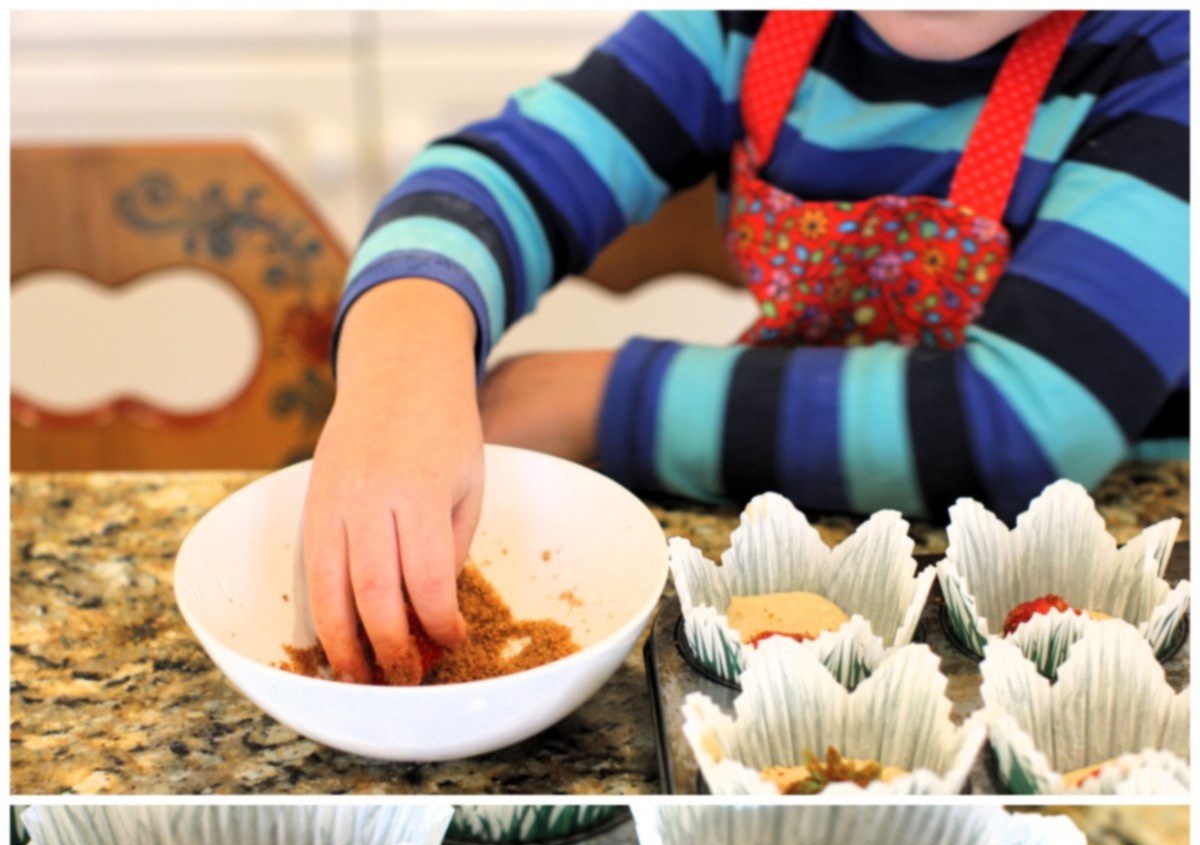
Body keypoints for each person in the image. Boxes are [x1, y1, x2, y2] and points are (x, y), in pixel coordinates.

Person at [303, 9, 1188, 684]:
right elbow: (497, 176)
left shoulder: (1168, 61)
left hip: (1105, 617)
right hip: (792, 565)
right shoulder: (737, 24)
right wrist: (403, 367)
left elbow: (1013, 422)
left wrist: (595, 400)